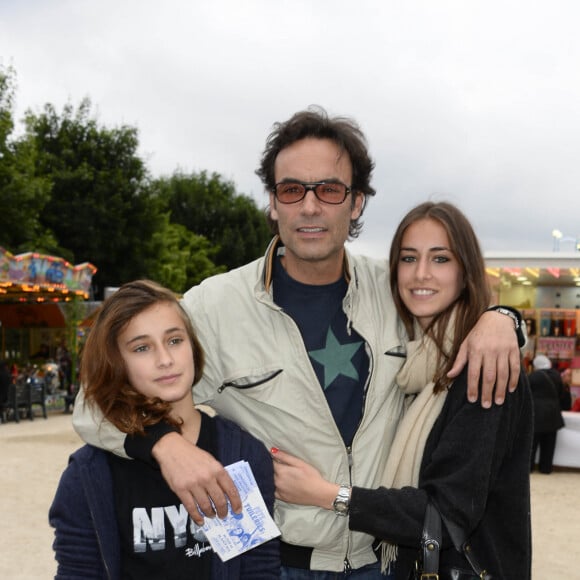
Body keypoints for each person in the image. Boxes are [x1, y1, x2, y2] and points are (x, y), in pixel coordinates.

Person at [73, 107, 524, 578]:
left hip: (389, 562)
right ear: (273, 202)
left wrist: (503, 318)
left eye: (329, 189)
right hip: (278, 565)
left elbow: (462, 318)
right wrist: (166, 446)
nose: (310, 207)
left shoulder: (395, 291)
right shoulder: (214, 308)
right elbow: (96, 399)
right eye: (292, 190)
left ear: (357, 204)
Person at [272, 202, 533, 579]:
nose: (421, 274)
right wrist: (504, 316)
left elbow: (444, 515)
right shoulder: (414, 360)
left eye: (440, 259)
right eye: (408, 258)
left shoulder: (481, 367)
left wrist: (326, 494)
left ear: (466, 272)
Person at [50, 280, 279, 579]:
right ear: (117, 363)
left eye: (174, 340)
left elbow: (258, 569)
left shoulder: (239, 453)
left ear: (193, 347)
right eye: (142, 348)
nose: (166, 360)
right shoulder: (89, 475)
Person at [529, 354, 566, 474]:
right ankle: (546, 468)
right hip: (553, 414)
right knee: (549, 444)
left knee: (532, 444)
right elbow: (561, 394)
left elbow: (527, 396)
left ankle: (529, 468)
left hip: (536, 414)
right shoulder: (556, 375)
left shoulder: (532, 377)